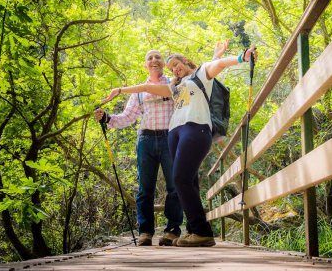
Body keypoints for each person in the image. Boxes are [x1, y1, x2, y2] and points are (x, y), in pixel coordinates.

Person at [102, 45, 257, 247]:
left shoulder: (200, 74)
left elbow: (217, 65)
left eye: (176, 64)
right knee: (187, 182)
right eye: (172, 68)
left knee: (179, 180)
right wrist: (120, 90)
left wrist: (241, 57)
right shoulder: (174, 86)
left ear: (186, 61)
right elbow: (147, 88)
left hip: (193, 129)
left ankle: (201, 231)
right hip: (171, 136)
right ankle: (193, 230)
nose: (174, 70)